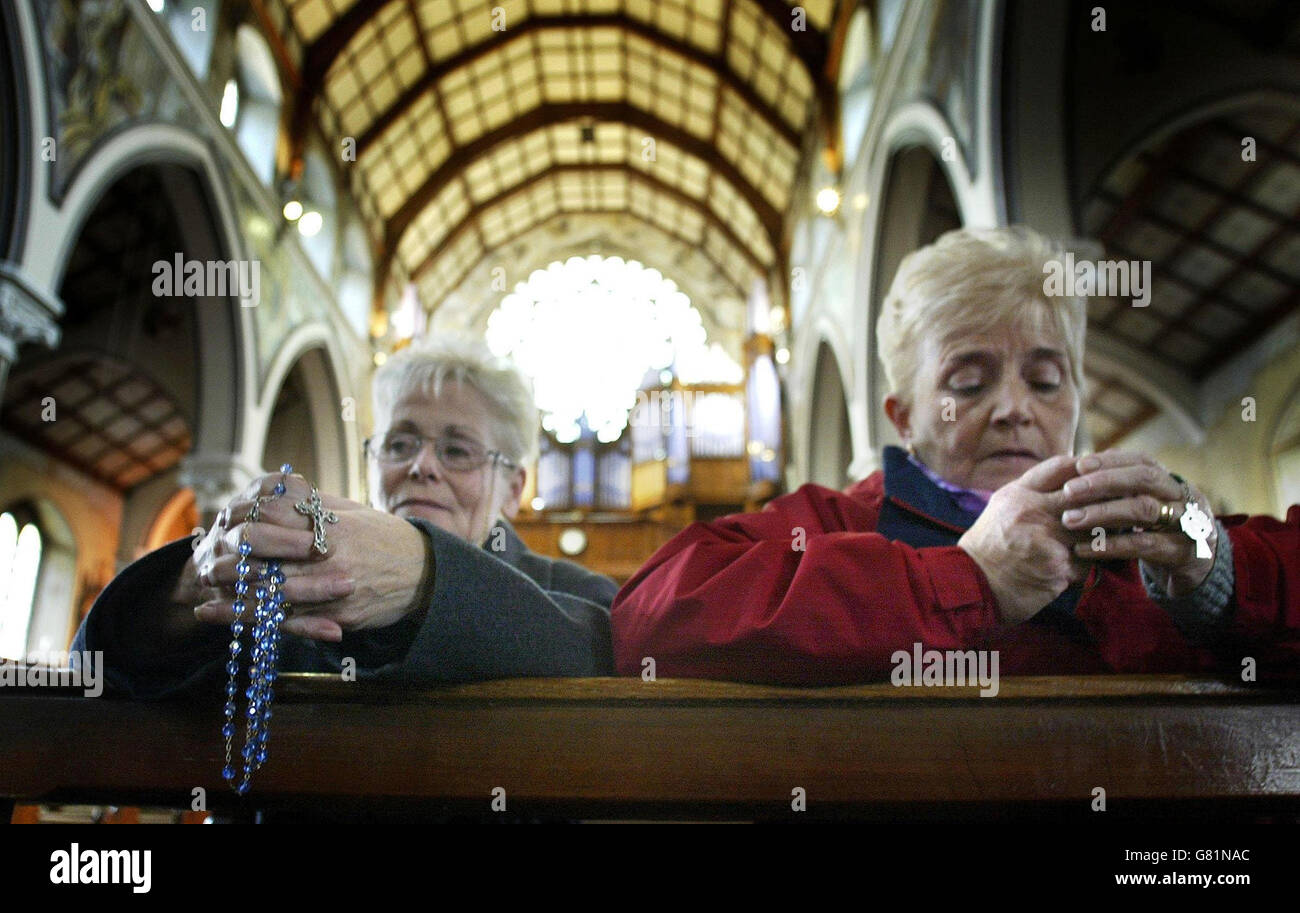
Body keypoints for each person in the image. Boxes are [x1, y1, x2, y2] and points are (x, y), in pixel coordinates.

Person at [611, 226, 1300, 684]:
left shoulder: (1148, 534)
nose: (1014, 407)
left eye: (1046, 378)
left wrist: (1218, 569)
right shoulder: (838, 520)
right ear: (904, 415)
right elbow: (654, 616)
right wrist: (968, 577)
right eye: (968, 382)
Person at [74, 336, 615, 699]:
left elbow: (608, 668)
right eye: (400, 443)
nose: (421, 466)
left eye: (457, 450)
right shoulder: (289, 584)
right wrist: (190, 587)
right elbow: (108, 676)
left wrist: (425, 579)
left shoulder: (575, 595)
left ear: (514, 488)